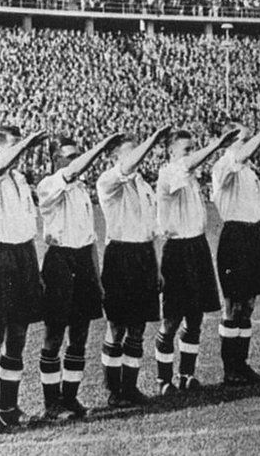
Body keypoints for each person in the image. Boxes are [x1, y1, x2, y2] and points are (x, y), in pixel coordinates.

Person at [36, 134, 122, 420]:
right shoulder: (49, 185)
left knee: (80, 335)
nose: (75, 162)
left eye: (77, 155)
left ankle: (70, 398)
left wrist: (97, 278)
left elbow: (90, 238)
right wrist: (100, 146)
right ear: (55, 160)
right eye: (69, 157)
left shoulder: (82, 190)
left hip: (83, 260)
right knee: (54, 335)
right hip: (60, 260)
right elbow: (71, 172)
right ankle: (52, 405)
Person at [0, 127, 47, 433]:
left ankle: (9, 409)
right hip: (0, 257)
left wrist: (35, 268)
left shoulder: (20, 179)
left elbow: (28, 227)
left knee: (17, 336)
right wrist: (28, 142)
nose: (20, 152)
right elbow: (0, 165)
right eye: (14, 146)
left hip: (24, 257)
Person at [154, 128, 239, 393]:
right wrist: (216, 145)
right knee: (171, 319)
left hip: (197, 246)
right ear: (172, 152)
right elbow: (188, 164)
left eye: (192, 148)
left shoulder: (189, 177)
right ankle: (163, 379)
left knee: (195, 316)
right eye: (186, 149)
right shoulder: (168, 173)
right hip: (177, 249)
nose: (191, 154)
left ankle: (186, 374)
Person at [96, 127, 170, 408]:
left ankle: (131, 387)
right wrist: (153, 139)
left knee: (138, 327)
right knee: (116, 326)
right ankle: (114, 390)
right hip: (120, 255)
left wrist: (157, 267)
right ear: (115, 156)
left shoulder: (144, 186)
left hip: (143, 256)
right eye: (131, 150)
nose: (139, 155)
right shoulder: (108, 181)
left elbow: (151, 231)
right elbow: (126, 168)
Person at [212, 120, 260, 385]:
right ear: (230, 142)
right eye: (244, 139)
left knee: (249, 304)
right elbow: (238, 157)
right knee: (233, 304)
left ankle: (241, 363)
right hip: (235, 236)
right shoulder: (223, 166)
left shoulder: (248, 171)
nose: (249, 144)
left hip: (253, 235)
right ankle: (230, 367)